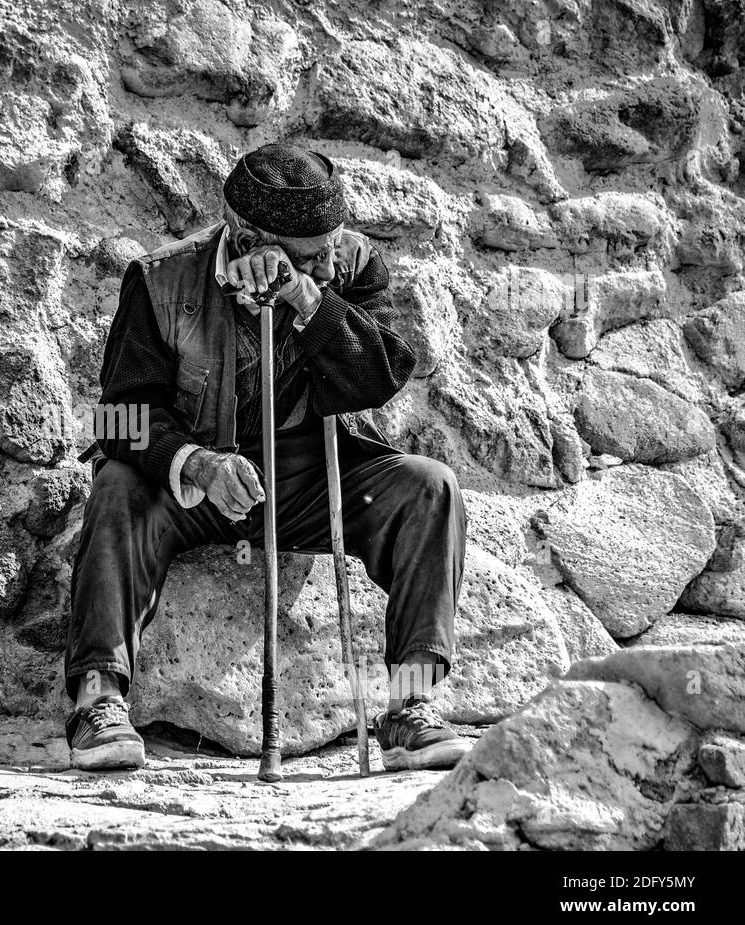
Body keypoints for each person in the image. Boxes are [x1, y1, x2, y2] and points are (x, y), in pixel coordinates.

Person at [65, 143, 470, 773]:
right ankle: (99, 701)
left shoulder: (351, 266)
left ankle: (409, 707)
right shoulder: (161, 280)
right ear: (248, 236)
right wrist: (196, 463)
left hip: (309, 476)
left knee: (429, 488)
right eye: (312, 256)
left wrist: (309, 298)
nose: (331, 265)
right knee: (117, 486)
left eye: (333, 246)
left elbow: (382, 373)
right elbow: (119, 417)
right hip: (197, 481)